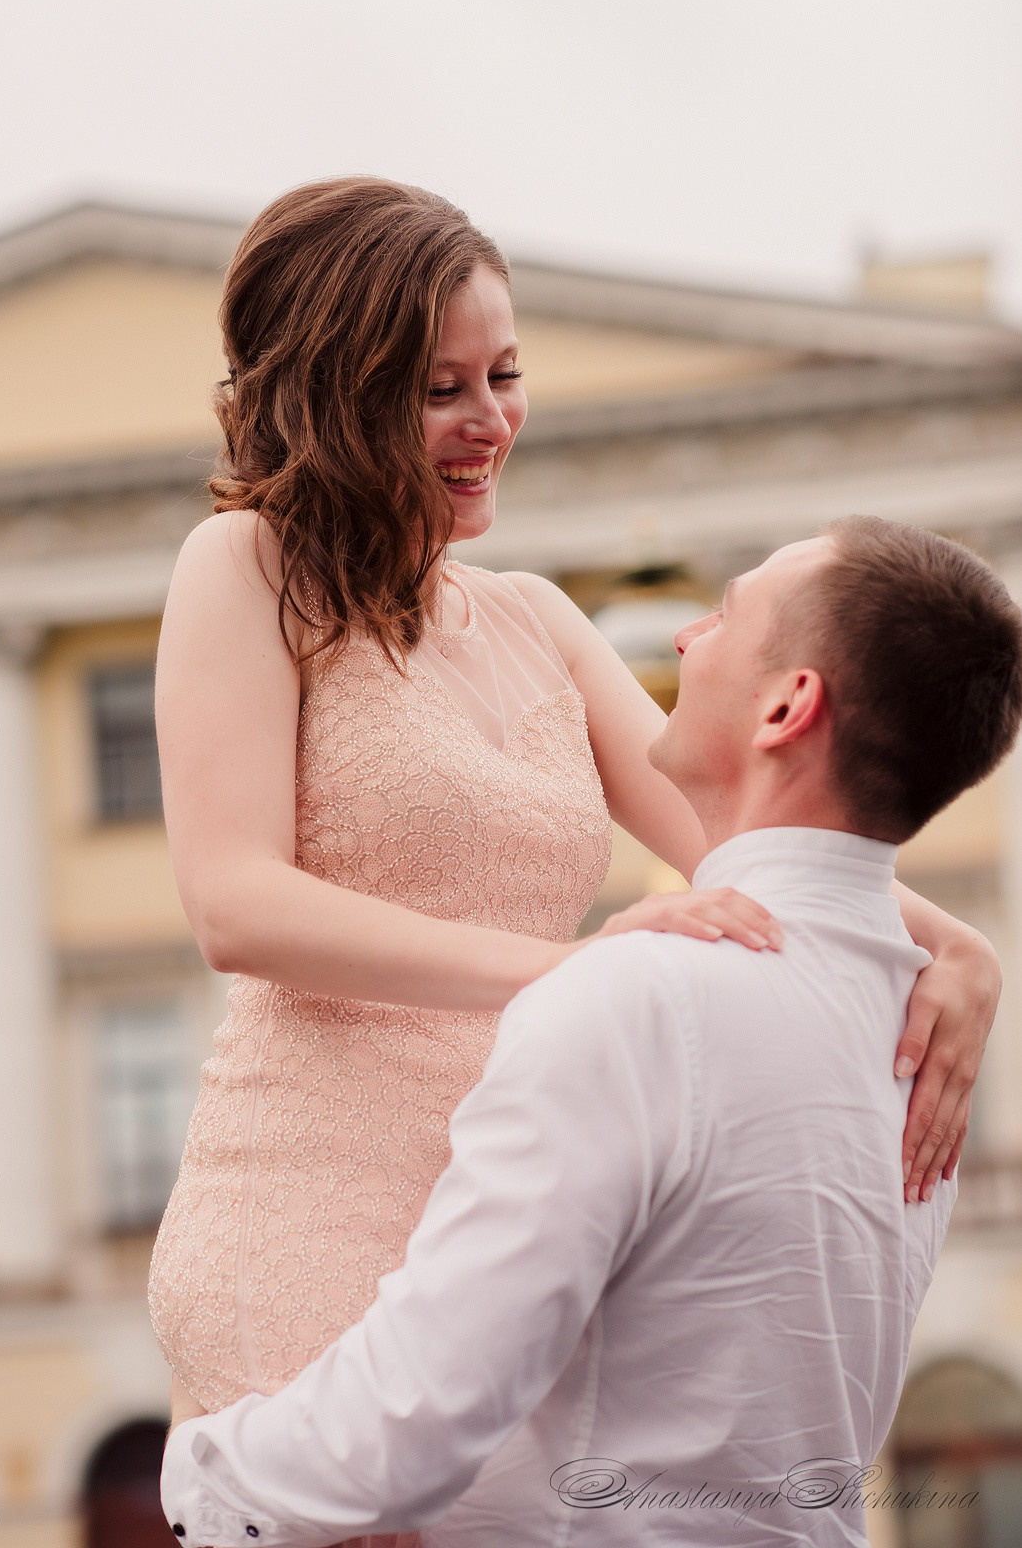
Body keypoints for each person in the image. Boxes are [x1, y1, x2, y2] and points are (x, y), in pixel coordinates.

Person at [147, 181, 996, 1523]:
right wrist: (566, 966)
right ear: (335, 394)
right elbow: (234, 905)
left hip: (497, 1223)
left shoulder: (538, 621)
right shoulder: (243, 568)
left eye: (503, 373)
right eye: (439, 388)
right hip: (305, 1209)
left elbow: (755, 845)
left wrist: (960, 952)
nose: (490, 421)